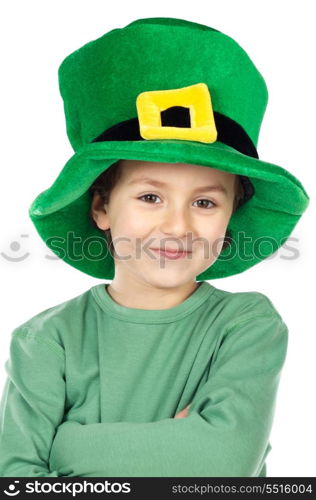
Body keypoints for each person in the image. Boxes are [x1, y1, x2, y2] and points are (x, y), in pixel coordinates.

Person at [0, 17, 309, 477]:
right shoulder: (47, 341)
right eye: (150, 197)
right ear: (101, 208)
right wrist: (175, 450)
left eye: (204, 201)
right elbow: (16, 479)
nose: (178, 225)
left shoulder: (247, 325)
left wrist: (67, 448)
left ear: (229, 218)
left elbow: (224, 463)